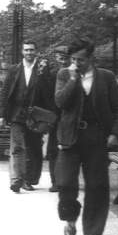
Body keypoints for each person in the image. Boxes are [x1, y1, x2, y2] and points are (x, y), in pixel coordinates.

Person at [54, 37, 118, 235]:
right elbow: (60, 102)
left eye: (81, 60)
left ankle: (92, 232)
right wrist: (72, 80)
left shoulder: (106, 77)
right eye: (74, 59)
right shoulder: (63, 74)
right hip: (70, 137)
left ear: (91, 58)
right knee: (66, 183)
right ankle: (70, 218)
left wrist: (115, 133)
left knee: (96, 185)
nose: (77, 63)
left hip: (96, 137)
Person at [0, 40, 55, 193]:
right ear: (22, 52)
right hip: (17, 114)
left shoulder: (42, 70)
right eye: (27, 50)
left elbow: (49, 93)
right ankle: (17, 180)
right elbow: (5, 93)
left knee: (34, 147)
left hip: (36, 116)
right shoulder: (14, 70)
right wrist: (1, 114)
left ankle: (29, 179)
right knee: (17, 147)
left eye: (32, 50)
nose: (29, 53)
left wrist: (49, 117)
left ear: (36, 52)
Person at [45, 45, 71, 192]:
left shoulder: (76, 73)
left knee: (70, 151)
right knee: (53, 150)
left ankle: (67, 180)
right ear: (56, 57)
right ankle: (55, 182)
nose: (63, 59)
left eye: (66, 56)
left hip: (71, 118)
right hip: (55, 117)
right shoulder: (51, 74)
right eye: (60, 56)